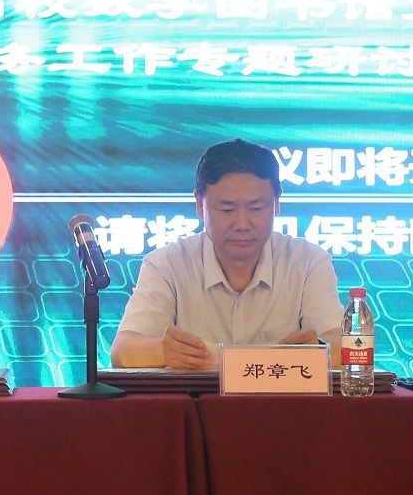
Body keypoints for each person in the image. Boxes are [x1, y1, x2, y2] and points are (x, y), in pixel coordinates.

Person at [112, 139, 343, 369]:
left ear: (276, 203)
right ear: (199, 204)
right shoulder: (166, 265)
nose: (242, 224)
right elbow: (123, 352)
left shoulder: (308, 262)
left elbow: (345, 348)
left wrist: (320, 349)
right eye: (227, 209)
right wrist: (163, 352)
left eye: (256, 208)